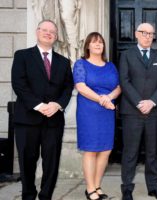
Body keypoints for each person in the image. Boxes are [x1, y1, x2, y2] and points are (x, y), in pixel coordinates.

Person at [11, 20, 74, 200]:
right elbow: (19, 84)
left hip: (53, 121)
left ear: (56, 37)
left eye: (52, 32)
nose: (48, 33)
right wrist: (40, 106)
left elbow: (68, 88)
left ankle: (46, 196)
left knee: (51, 163)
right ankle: (28, 196)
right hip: (27, 119)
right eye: (44, 30)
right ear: (37, 32)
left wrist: (57, 105)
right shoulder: (22, 56)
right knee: (27, 162)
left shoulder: (63, 62)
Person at [119, 23, 157, 200]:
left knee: (152, 151)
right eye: (144, 33)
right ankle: (127, 187)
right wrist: (140, 102)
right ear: (136, 34)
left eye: (151, 34)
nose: (148, 36)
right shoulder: (126, 55)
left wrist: (153, 102)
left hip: (154, 112)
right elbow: (124, 81)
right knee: (130, 152)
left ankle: (153, 186)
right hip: (132, 111)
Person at [73, 32, 121, 200]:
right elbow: (81, 87)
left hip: (107, 111)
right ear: (87, 46)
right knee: (91, 150)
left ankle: (97, 185)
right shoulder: (81, 64)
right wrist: (102, 99)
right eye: (94, 42)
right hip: (89, 111)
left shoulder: (111, 66)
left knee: (106, 150)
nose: (98, 44)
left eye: (100, 42)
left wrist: (110, 97)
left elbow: (119, 87)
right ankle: (90, 188)